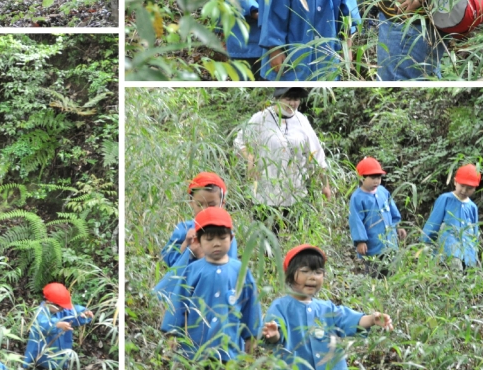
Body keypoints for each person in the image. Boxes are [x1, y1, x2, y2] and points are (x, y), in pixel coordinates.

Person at [260, 244, 393, 370]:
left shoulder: (327, 308)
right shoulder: (281, 306)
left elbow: (350, 320)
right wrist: (273, 334)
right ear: (291, 275)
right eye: (305, 271)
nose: (312, 277)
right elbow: (275, 335)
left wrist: (372, 319)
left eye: (318, 272)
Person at [160, 207, 260, 361]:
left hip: (228, 349)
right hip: (193, 348)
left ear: (231, 239)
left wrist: (251, 336)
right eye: (209, 239)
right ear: (198, 241)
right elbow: (179, 301)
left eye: (222, 238)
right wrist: (172, 332)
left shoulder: (240, 271)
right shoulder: (192, 270)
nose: (216, 244)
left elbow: (250, 305)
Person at [233, 89, 331, 227]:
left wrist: (325, 185)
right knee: (268, 241)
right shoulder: (261, 117)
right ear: (278, 98)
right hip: (265, 194)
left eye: (296, 99)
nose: (293, 103)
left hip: (295, 194)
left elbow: (316, 154)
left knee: (295, 240)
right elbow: (239, 141)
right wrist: (250, 158)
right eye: (288, 99)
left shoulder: (302, 120)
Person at [155, 172, 238, 295]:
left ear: (222, 204)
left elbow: (229, 271)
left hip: (212, 291)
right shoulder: (184, 229)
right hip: (182, 290)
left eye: (211, 205)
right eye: (199, 204)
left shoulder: (225, 234)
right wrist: (186, 243)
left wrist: (202, 255)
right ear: (191, 202)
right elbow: (171, 263)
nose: (205, 209)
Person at [23, 282, 94, 370]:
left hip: (60, 356)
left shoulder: (62, 310)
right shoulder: (41, 312)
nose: (62, 309)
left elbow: (73, 312)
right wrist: (57, 324)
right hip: (42, 360)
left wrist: (84, 313)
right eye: (60, 307)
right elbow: (43, 324)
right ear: (49, 303)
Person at [349, 157, 404, 272]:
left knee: (393, 271)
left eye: (378, 177)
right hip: (373, 245)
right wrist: (360, 241)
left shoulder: (383, 191)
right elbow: (356, 221)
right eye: (372, 177)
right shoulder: (357, 197)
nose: (376, 181)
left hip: (390, 243)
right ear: (362, 178)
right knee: (374, 273)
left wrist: (398, 226)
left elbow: (392, 210)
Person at [420, 164, 481, 267]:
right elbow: (433, 223)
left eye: (469, 188)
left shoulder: (472, 207)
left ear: (475, 188)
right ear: (455, 182)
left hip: (468, 254)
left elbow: (474, 232)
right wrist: (425, 243)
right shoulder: (446, 199)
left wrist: (475, 252)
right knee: (455, 270)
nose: (464, 190)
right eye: (462, 186)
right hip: (448, 249)